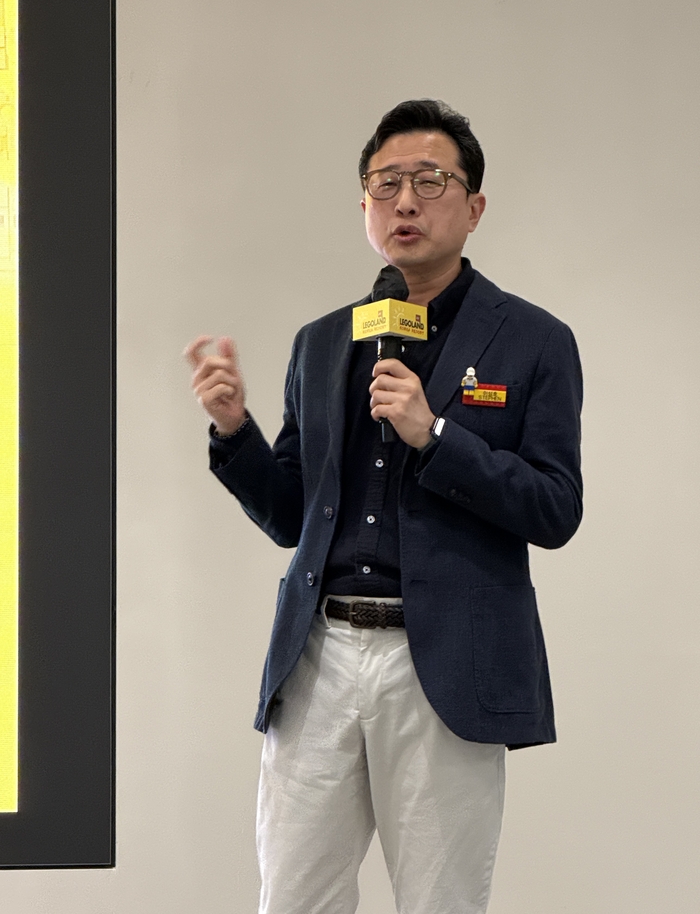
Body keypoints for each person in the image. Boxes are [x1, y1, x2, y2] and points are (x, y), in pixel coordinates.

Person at [185, 99, 583, 914]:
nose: (405, 200)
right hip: (319, 655)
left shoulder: (534, 340)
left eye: (430, 181)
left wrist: (435, 435)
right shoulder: (322, 340)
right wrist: (234, 429)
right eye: (385, 182)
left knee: (441, 901)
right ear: (363, 204)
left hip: (443, 663)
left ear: (474, 207)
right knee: (293, 898)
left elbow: (555, 506)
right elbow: (291, 515)